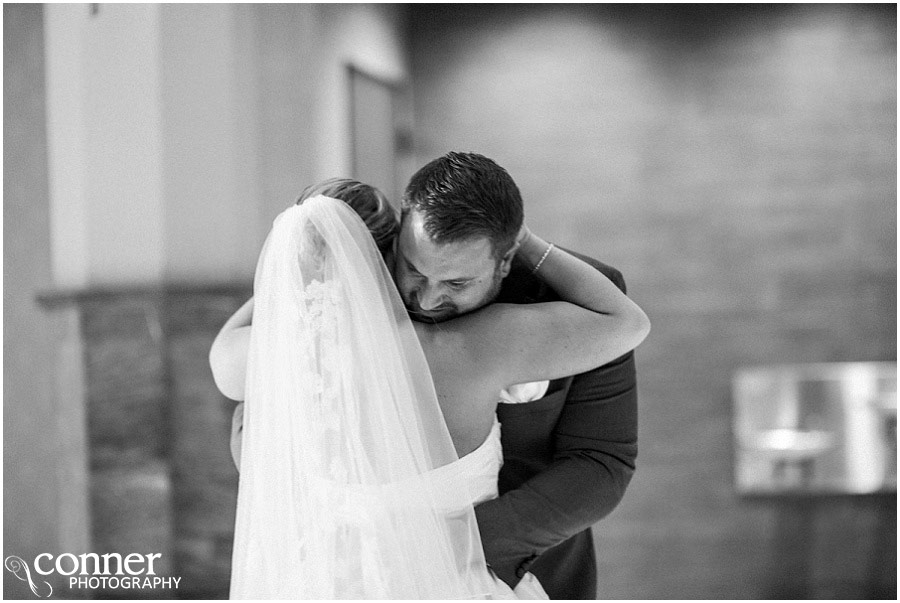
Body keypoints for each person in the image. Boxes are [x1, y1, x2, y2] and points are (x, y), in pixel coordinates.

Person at [213, 172, 649, 598]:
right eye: (414, 272)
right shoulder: (476, 346)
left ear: (504, 259)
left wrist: (309, 258)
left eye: (456, 283)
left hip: (337, 579)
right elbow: (627, 322)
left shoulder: (269, 354)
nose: (426, 299)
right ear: (393, 249)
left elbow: (600, 464)